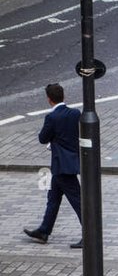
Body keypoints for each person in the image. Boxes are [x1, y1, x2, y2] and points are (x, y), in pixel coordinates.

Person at [23, 83, 83, 249]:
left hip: (61, 165)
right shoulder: (74, 113)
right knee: (53, 199)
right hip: (67, 164)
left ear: (49, 99)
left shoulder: (51, 118)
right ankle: (44, 231)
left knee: (78, 201)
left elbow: (43, 138)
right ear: (63, 96)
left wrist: (52, 139)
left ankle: (89, 234)